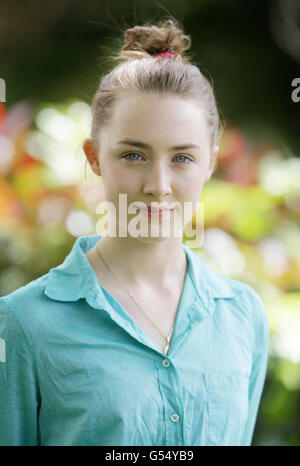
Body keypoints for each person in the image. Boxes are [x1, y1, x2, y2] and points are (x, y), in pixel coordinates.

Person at [0, 18, 269, 446]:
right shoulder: (22, 324)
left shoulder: (243, 316)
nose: (158, 185)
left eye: (182, 158)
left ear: (211, 163)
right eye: (133, 155)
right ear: (94, 157)